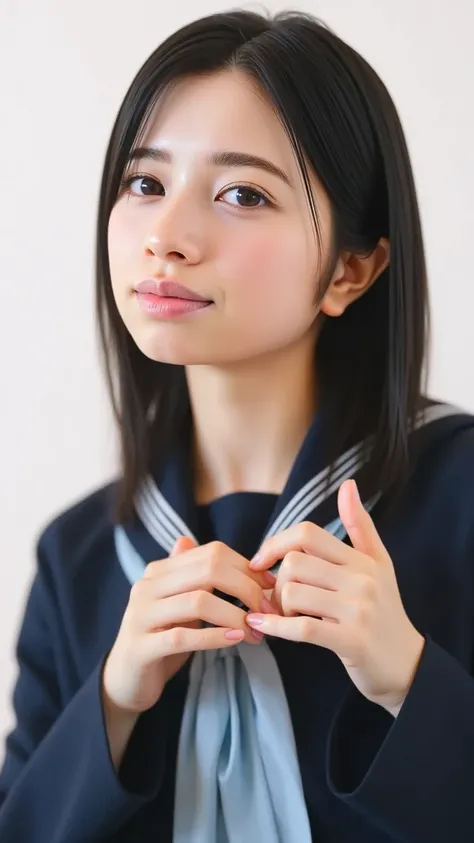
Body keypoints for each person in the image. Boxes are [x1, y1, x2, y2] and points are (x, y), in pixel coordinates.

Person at [1, 8, 473, 842]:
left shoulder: (462, 497)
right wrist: (113, 701)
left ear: (352, 270)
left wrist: (409, 678)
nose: (167, 238)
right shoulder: (77, 558)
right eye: (145, 183)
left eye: (242, 194)